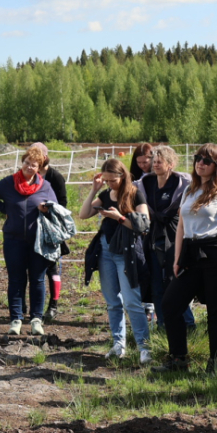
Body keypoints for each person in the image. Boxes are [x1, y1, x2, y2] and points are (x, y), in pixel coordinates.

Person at [156, 144, 217, 374]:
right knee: (170, 304)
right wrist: (177, 258)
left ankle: (216, 363)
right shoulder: (190, 190)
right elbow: (182, 226)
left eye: (207, 160)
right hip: (191, 253)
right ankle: (179, 359)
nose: (200, 163)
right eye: (198, 158)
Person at [0, 143, 59, 336]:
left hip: (38, 241)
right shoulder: (8, 183)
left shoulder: (46, 186)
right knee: (16, 280)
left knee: (38, 280)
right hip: (13, 240)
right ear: (21, 163)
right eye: (26, 162)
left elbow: (56, 209)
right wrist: (4, 209)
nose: (29, 167)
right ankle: (16, 319)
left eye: (34, 164)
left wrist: (46, 209)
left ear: (39, 167)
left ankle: (36, 320)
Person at [80, 157, 152, 364]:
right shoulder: (104, 195)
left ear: (123, 176)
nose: (111, 184)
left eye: (113, 180)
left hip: (126, 252)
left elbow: (144, 225)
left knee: (132, 301)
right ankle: (118, 343)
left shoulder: (135, 194)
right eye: (107, 180)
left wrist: (119, 217)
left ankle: (144, 347)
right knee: (113, 301)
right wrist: (94, 190)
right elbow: (84, 214)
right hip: (105, 250)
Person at [137, 145, 195, 330]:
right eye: (154, 161)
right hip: (153, 236)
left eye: (159, 162)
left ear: (170, 164)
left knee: (174, 281)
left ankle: (188, 323)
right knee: (156, 284)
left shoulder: (183, 184)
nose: (155, 165)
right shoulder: (145, 183)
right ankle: (164, 324)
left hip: (174, 234)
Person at [32, 144, 70, 321]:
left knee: (51, 267)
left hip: (50, 229)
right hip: (31, 228)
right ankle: (29, 306)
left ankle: (53, 305)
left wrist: (49, 210)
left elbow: (62, 203)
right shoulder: (28, 176)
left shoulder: (56, 177)